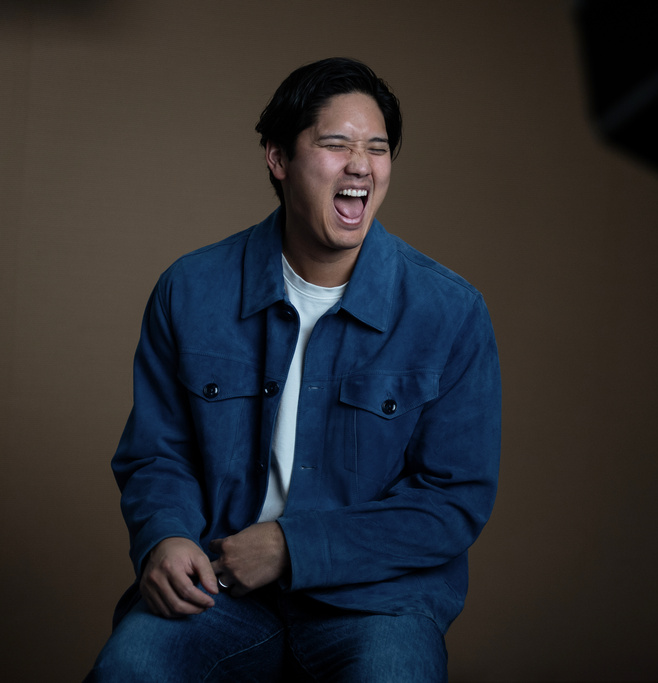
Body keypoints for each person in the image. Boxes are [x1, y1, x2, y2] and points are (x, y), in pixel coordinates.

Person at [85, 57, 501, 682]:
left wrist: (290, 548)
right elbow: (157, 453)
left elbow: (453, 499)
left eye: (378, 149)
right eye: (337, 145)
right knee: (131, 668)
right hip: (221, 591)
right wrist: (165, 537)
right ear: (279, 159)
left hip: (377, 603)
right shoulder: (191, 290)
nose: (361, 165)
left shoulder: (451, 312)